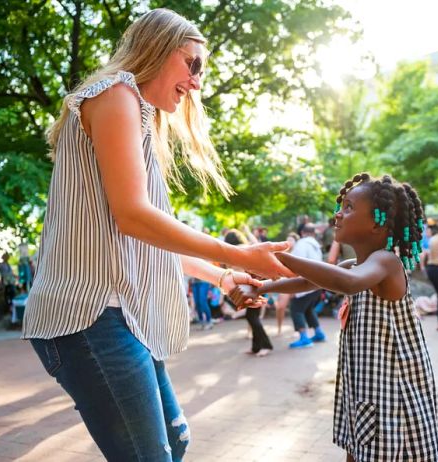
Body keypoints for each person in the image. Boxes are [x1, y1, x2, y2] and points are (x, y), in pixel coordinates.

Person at [21, 9, 293, 461]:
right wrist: (238, 255)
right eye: (193, 64)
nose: (197, 82)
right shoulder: (116, 93)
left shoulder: (136, 112)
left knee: (176, 442)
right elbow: (134, 217)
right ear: (159, 48)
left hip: (122, 316)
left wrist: (223, 279)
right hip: (89, 316)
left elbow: (147, 233)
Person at [230, 173, 438, 462]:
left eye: (349, 207)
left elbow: (348, 283)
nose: (338, 214)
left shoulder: (386, 262)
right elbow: (306, 282)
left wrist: (278, 257)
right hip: (366, 389)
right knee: (358, 449)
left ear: (378, 223)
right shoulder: (354, 264)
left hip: (396, 398)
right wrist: (261, 286)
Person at [224, 229, 273, 356]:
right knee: (251, 316)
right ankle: (256, 346)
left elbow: (234, 270)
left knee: (252, 317)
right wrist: (247, 232)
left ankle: (266, 345)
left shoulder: (233, 251)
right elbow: (257, 244)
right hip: (256, 283)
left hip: (250, 286)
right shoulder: (246, 247)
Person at [288, 223, 326, 349]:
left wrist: (292, 287)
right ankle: (319, 333)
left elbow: (295, 264)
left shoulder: (302, 244)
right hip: (317, 283)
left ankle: (304, 337)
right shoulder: (316, 246)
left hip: (305, 284)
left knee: (296, 309)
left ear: (302, 233)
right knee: (308, 309)